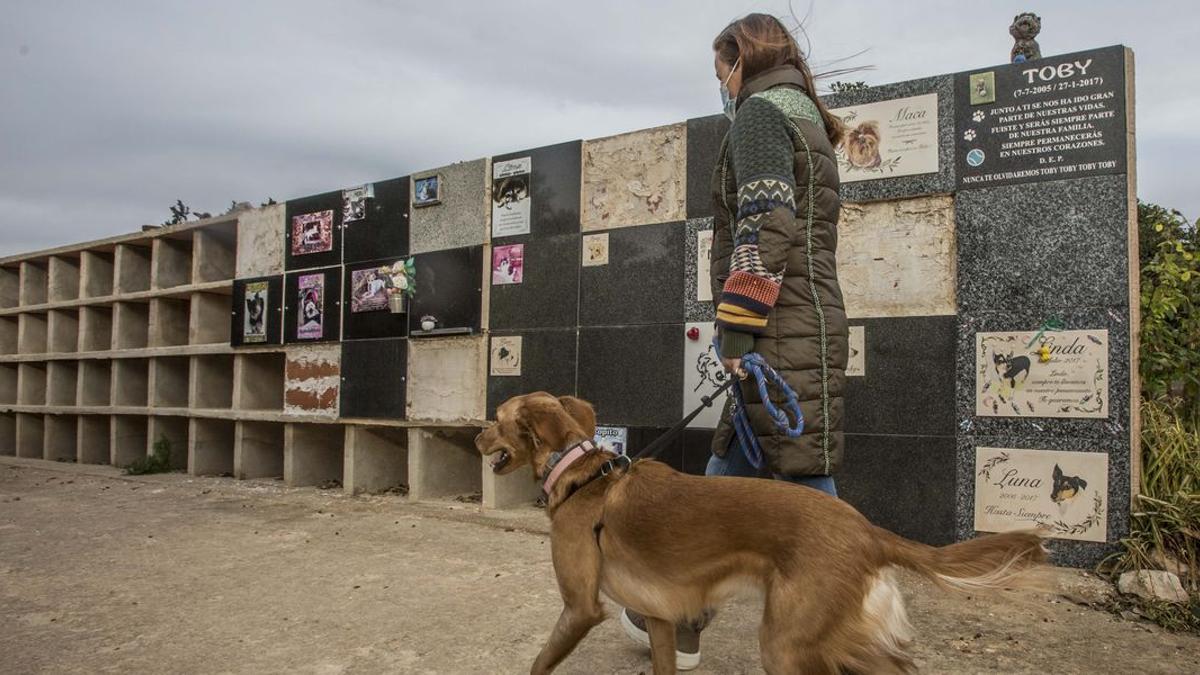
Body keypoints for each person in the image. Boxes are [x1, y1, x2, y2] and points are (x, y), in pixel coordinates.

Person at [620, 13, 849, 670]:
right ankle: (679, 612)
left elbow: (766, 227)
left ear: (738, 61)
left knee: (807, 487)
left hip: (778, 327)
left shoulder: (758, 117)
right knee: (734, 468)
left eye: (719, 71)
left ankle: (861, 613)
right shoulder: (806, 118)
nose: (719, 85)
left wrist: (739, 330)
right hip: (808, 319)